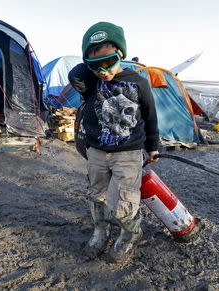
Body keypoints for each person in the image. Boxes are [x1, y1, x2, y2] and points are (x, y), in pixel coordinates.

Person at [68, 22, 159, 263]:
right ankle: (101, 230)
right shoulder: (92, 83)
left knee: (123, 200)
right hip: (96, 151)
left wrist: (153, 146)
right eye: (95, 65)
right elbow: (74, 73)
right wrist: (92, 59)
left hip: (128, 154)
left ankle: (130, 233)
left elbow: (150, 116)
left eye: (109, 62)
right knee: (96, 194)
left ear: (121, 54)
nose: (103, 70)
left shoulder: (138, 82)